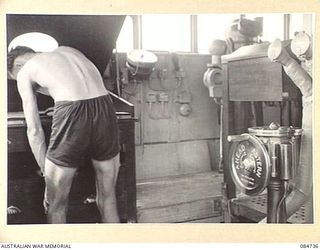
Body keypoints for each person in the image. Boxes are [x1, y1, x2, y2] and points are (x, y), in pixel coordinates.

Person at [7, 46, 121, 223]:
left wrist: (48, 177)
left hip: (71, 113)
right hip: (105, 107)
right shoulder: (68, 50)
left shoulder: (24, 72)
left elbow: (34, 130)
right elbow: (79, 93)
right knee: (108, 197)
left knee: (56, 203)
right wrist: (62, 104)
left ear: (19, 64)